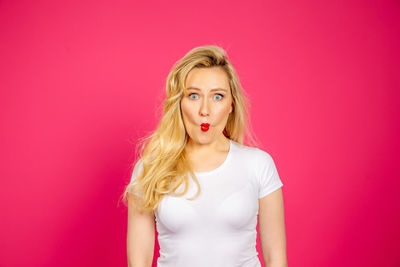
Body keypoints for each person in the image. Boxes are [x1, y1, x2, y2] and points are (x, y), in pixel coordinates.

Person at [122, 45, 287, 267]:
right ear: (179, 103)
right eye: (193, 95)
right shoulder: (150, 169)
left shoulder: (258, 165)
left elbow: (276, 258)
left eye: (217, 96)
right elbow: (138, 262)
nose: (205, 110)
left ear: (231, 105)